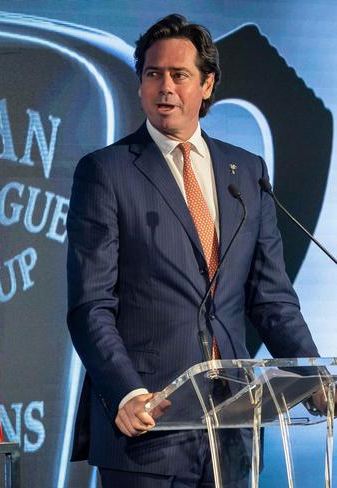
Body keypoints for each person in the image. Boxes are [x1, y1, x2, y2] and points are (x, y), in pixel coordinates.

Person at [66, 13, 320, 487]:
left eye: (179, 75)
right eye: (152, 74)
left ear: (206, 85)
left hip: (233, 429)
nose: (164, 86)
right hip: (147, 428)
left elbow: (272, 299)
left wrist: (311, 375)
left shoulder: (246, 172)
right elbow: (90, 305)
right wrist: (126, 394)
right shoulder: (107, 172)